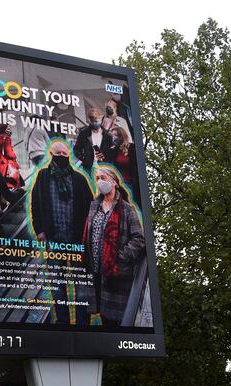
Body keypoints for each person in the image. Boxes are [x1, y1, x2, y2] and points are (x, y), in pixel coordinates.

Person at [29, 141, 93, 324]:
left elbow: (90, 207)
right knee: (57, 284)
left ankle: (83, 323)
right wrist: (39, 230)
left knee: (81, 285)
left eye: (66, 154)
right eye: (60, 154)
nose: (63, 157)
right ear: (51, 154)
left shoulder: (79, 179)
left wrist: (86, 235)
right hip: (53, 239)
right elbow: (35, 204)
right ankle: (63, 321)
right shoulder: (43, 176)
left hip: (76, 240)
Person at [82, 166, 145, 326]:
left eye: (103, 177)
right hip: (95, 271)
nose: (100, 181)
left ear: (114, 182)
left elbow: (139, 238)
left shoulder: (126, 209)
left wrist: (121, 257)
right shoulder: (93, 206)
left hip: (116, 273)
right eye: (97, 178)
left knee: (114, 322)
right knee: (101, 316)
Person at [0, 123, 24, 189]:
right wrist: (14, 155)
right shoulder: (6, 138)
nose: (9, 130)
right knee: (19, 184)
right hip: (6, 166)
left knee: (2, 186)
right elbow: (9, 153)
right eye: (8, 128)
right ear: (4, 129)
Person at [107, 125, 138, 190]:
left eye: (115, 135)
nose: (113, 137)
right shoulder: (114, 149)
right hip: (116, 183)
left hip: (129, 183)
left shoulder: (131, 147)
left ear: (121, 136)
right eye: (112, 135)